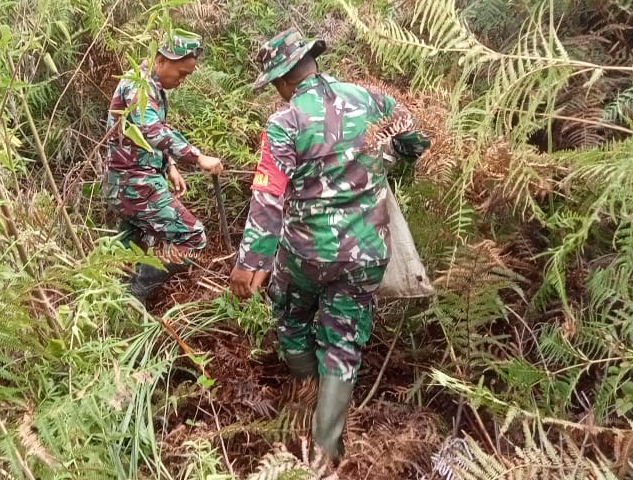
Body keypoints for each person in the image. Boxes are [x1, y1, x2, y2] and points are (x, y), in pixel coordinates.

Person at [229, 28, 430, 465]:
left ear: (283, 80)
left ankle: (304, 391)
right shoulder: (372, 100)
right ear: (311, 62)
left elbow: (267, 196)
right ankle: (325, 450)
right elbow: (414, 139)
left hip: (306, 254)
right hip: (365, 254)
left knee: (288, 315)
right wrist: (391, 158)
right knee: (344, 344)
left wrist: (250, 263)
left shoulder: (285, 122)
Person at [103, 33, 224, 304]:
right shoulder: (139, 87)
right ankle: (137, 293)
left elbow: (143, 137)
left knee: (129, 250)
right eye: (181, 74)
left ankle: (117, 307)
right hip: (134, 186)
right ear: (161, 60)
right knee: (193, 236)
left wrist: (169, 166)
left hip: (129, 184)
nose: (181, 82)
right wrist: (197, 157)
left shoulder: (150, 86)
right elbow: (152, 130)